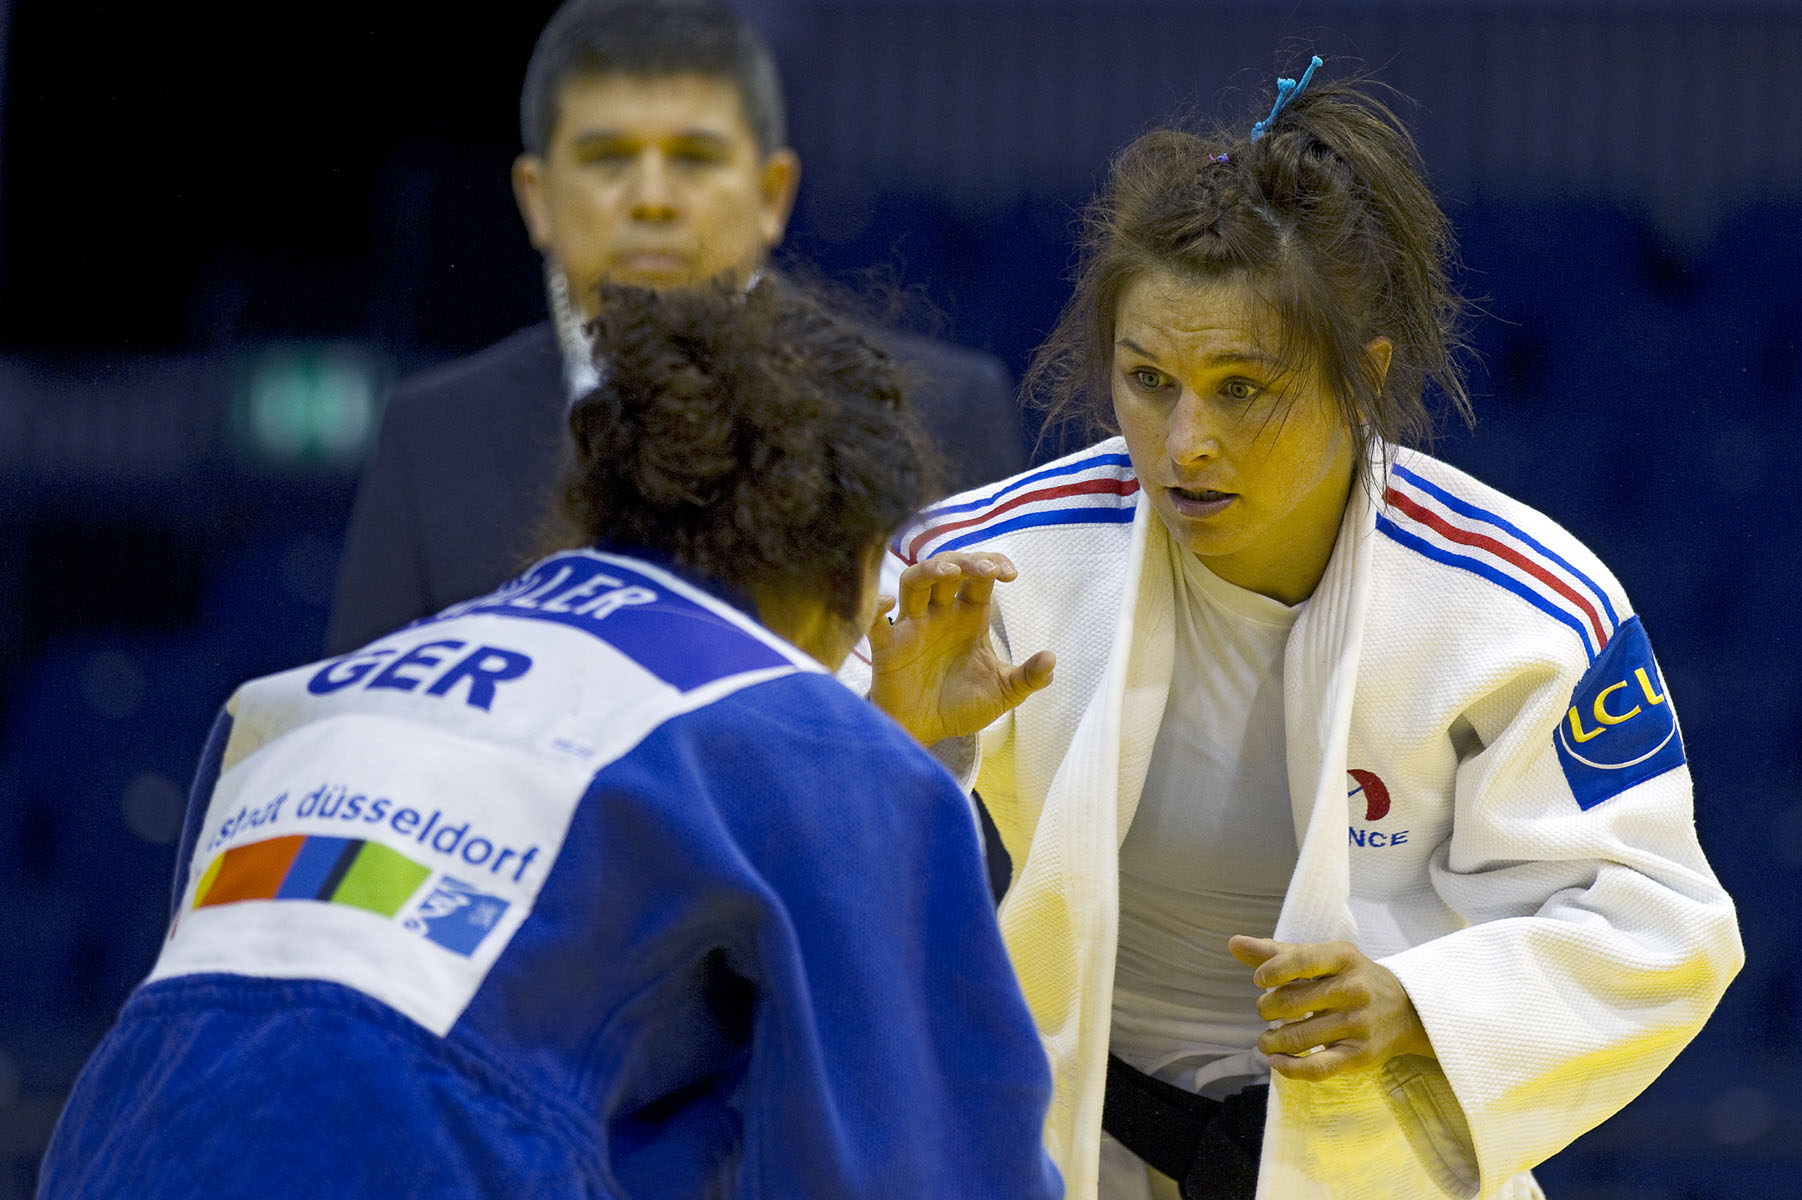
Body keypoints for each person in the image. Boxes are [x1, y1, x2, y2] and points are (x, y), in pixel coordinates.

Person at [856, 60, 1742, 1200]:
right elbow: (789, 872)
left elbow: (1662, 928)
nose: (1182, 444)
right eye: (1146, 380)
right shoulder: (981, 572)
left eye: (1240, 388)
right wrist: (906, 740)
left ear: (1359, 377)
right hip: (1074, 1149)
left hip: (1376, 1162)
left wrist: (1419, 1004)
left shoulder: (1516, 607)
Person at [38, 282, 1061, 1199]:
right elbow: (934, 1167)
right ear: (855, 564)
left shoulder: (297, 701)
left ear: (599, 505)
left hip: (107, 1145)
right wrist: (900, 768)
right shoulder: (816, 740)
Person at [325, 0, 1029, 656]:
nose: (653, 199)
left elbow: (993, 739)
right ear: (535, 200)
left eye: (694, 157)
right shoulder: (433, 431)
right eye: (608, 159)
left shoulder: (945, 407)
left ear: (772, 193)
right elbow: (358, 735)